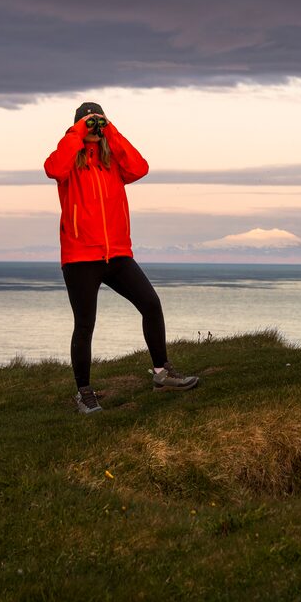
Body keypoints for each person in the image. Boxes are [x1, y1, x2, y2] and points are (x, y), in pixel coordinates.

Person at [44, 102, 199, 414]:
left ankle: (161, 373)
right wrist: (78, 132)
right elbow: (52, 168)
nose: (94, 128)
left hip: (117, 253)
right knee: (85, 324)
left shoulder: (111, 160)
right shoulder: (70, 162)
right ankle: (84, 392)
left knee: (151, 304)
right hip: (80, 256)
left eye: (98, 122)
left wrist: (110, 130)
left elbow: (140, 167)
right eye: (90, 123)